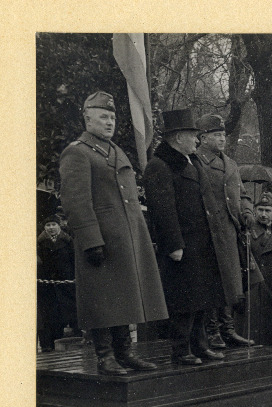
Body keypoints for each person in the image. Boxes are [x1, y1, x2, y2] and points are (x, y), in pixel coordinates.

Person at [59, 91, 167, 375]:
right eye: (103, 117)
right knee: (102, 299)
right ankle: (105, 356)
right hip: (101, 239)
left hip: (127, 238)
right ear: (87, 118)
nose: (110, 122)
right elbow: (75, 202)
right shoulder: (77, 152)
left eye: (113, 117)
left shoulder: (116, 151)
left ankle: (124, 352)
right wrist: (90, 239)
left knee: (124, 296)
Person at [144, 109, 228, 366]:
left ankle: (200, 346)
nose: (197, 140)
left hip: (201, 242)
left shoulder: (191, 161)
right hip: (182, 245)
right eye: (193, 135)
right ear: (179, 137)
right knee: (184, 301)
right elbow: (163, 210)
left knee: (202, 298)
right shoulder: (160, 166)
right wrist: (174, 245)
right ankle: (181, 350)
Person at [195, 113, 261, 349]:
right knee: (213, 282)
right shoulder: (195, 162)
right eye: (216, 135)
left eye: (223, 134)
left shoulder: (231, 164)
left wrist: (247, 212)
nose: (222, 138)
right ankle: (212, 331)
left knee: (232, 283)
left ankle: (228, 329)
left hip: (231, 231)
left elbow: (242, 194)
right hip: (207, 233)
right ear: (202, 138)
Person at [37, 215, 78, 351]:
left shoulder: (68, 241)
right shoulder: (40, 243)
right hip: (48, 283)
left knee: (71, 311)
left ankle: (77, 343)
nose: (51, 228)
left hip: (67, 282)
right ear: (44, 227)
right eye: (48, 225)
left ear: (59, 225)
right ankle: (50, 345)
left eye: (53, 224)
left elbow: (74, 259)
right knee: (51, 314)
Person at [249, 192, 272, 346]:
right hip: (252, 286)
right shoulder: (246, 232)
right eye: (260, 210)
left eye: (268, 211)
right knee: (251, 329)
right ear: (254, 210)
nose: (263, 214)